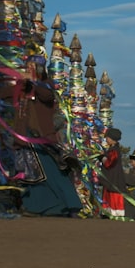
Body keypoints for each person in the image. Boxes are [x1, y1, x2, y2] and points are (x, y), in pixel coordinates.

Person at [11, 59, 83, 217]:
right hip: (24, 137)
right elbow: (6, 94)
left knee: (53, 172)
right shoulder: (21, 88)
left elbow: (47, 96)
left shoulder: (46, 85)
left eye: (33, 68)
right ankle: (37, 207)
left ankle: (70, 206)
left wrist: (35, 82)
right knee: (30, 173)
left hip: (43, 138)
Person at [99, 127, 127, 219]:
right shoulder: (113, 149)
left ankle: (115, 213)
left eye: (107, 137)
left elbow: (109, 163)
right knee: (108, 193)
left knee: (113, 194)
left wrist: (102, 157)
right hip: (110, 179)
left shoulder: (114, 150)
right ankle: (108, 212)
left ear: (111, 138)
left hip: (113, 179)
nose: (106, 139)